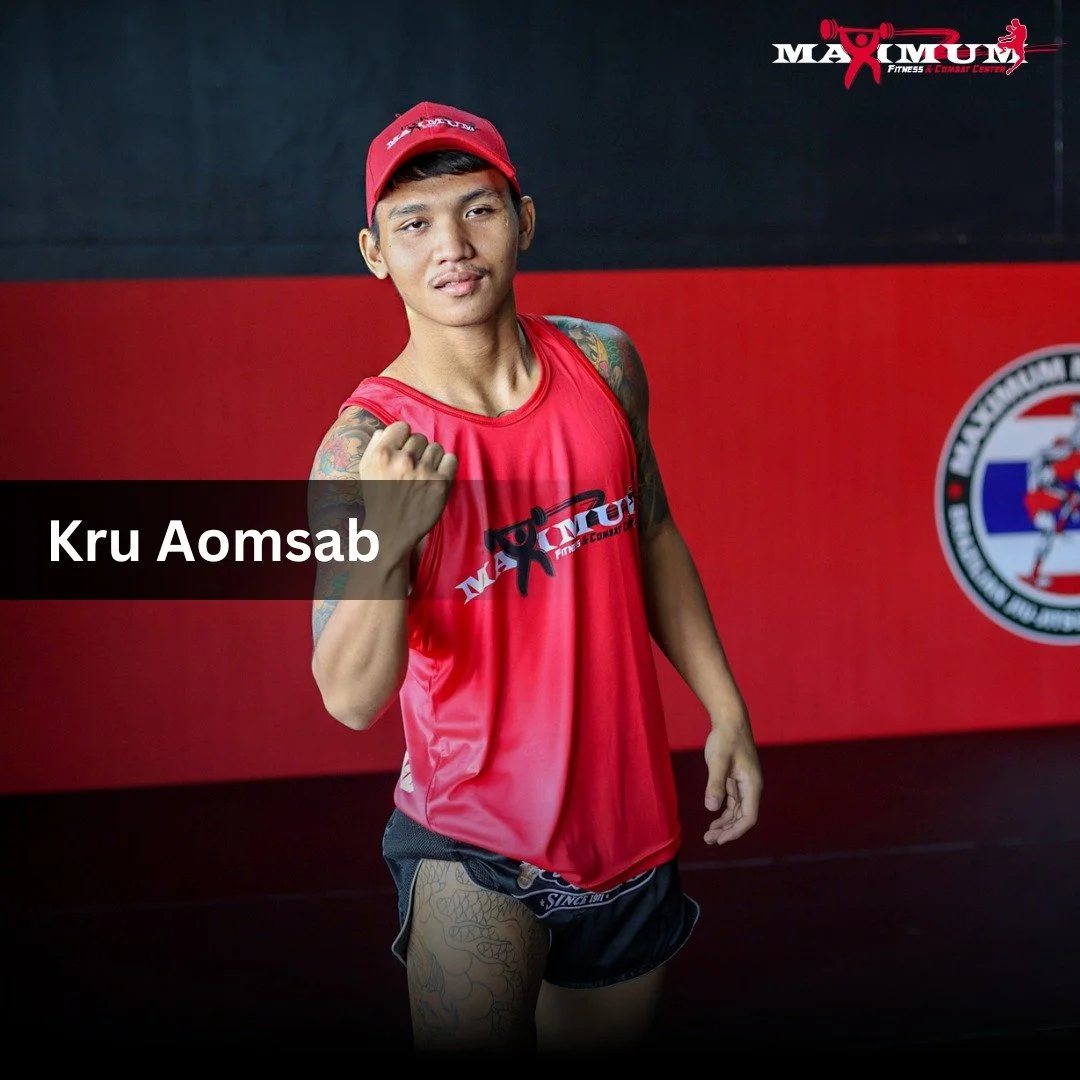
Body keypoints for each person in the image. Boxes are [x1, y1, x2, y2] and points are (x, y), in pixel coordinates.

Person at [308, 101, 763, 1056]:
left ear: (523, 220)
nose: (451, 246)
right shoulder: (365, 449)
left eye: (477, 209)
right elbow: (349, 699)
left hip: (630, 828)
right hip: (471, 846)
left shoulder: (604, 364)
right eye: (414, 223)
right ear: (374, 253)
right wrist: (390, 543)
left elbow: (653, 533)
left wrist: (726, 708)